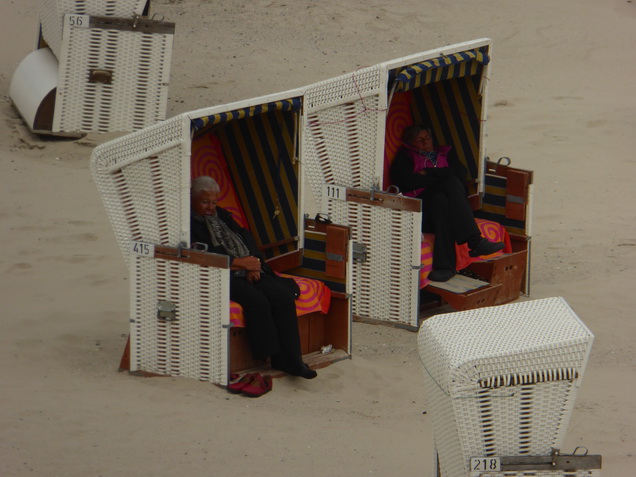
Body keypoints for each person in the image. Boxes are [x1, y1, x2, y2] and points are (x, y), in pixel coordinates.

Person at [190, 176, 317, 379]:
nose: (210, 207)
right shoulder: (188, 224)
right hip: (219, 275)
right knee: (258, 301)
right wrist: (240, 264)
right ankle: (275, 356)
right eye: (205, 202)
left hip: (246, 267)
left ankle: (295, 360)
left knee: (282, 296)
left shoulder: (220, 215)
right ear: (192, 199)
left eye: (214, 202)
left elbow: (244, 236)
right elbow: (203, 256)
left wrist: (254, 263)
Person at [390, 124, 504, 282]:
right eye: (419, 140)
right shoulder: (405, 158)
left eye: (427, 138)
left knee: (442, 201)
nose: (425, 142)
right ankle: (475, 241)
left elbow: (461, 174)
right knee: (449, 181)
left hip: (439, 208)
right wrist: (441, 178)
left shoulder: (444, 154)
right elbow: (407, 181)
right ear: (411, 144)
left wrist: (429, 173)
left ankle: (445, 267)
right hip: (420, 211)